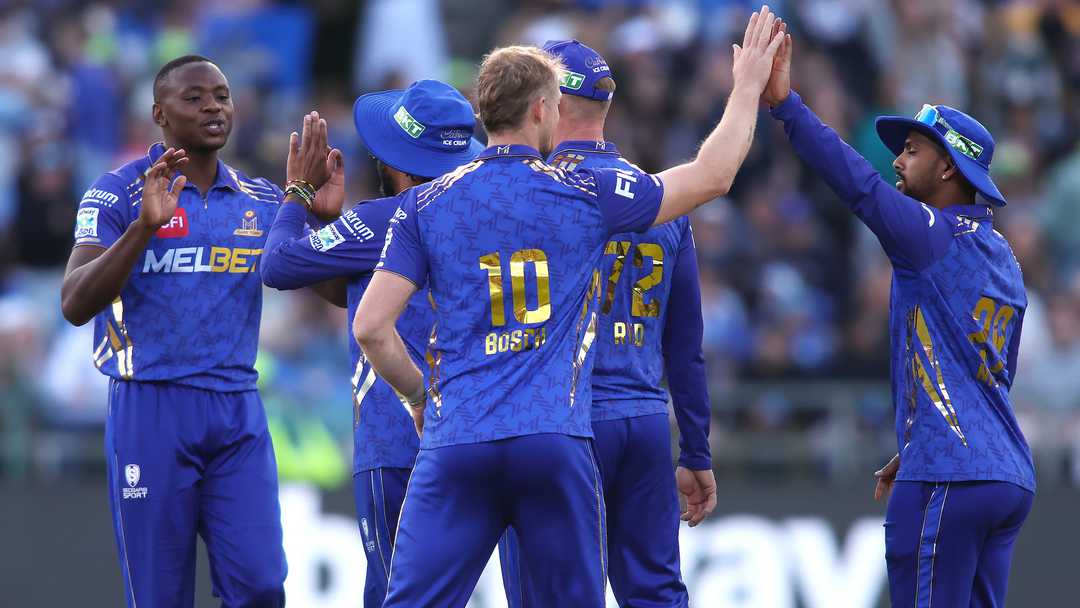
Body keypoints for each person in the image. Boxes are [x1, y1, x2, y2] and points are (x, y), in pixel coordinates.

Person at [352, 8, 784, 607]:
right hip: (553, 439)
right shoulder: (583, 194)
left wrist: (419, 397)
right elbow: (712, 176)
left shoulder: (423, 205)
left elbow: (371, 328)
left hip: (458, 440)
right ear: (539, 110)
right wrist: (745, 89)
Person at [762, 29, 1035, 607]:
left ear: (948, 168)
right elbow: (992, 375)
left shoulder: (929, 235)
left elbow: (857, 186)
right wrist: (915, 440)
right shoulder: (1004, 256)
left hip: (949, 473)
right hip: (1006, 474)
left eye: (913, 149)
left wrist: (788, 107)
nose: (898, 159)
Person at [59, 55, 332, 607]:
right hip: (151, 407)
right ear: (159, 114)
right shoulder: (117, 193)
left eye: (222, 96)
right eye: (194, 98)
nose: (213, 107)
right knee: (160, 597)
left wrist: (318, 218)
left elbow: (332, 290)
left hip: (237, 411)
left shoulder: (261, 199)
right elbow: (74, 302)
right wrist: (142, 230)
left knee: (261, 587)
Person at [497, 39, 713, 608]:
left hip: (563, 422)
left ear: (546, 102)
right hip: (644, 423)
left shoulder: (539, 192)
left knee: (550, 595)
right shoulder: (660, 198)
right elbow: (686, 346)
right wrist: (695, 450)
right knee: (656, 594)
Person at [259, 79, 484, 608]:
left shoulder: (385, 217)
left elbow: (277, 265)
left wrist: (299, 195)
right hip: (478, 434)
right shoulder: (480, 218)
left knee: (393, 593)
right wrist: (329, 227)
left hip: (398, 437)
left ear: (397, 163)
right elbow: (356, 291)